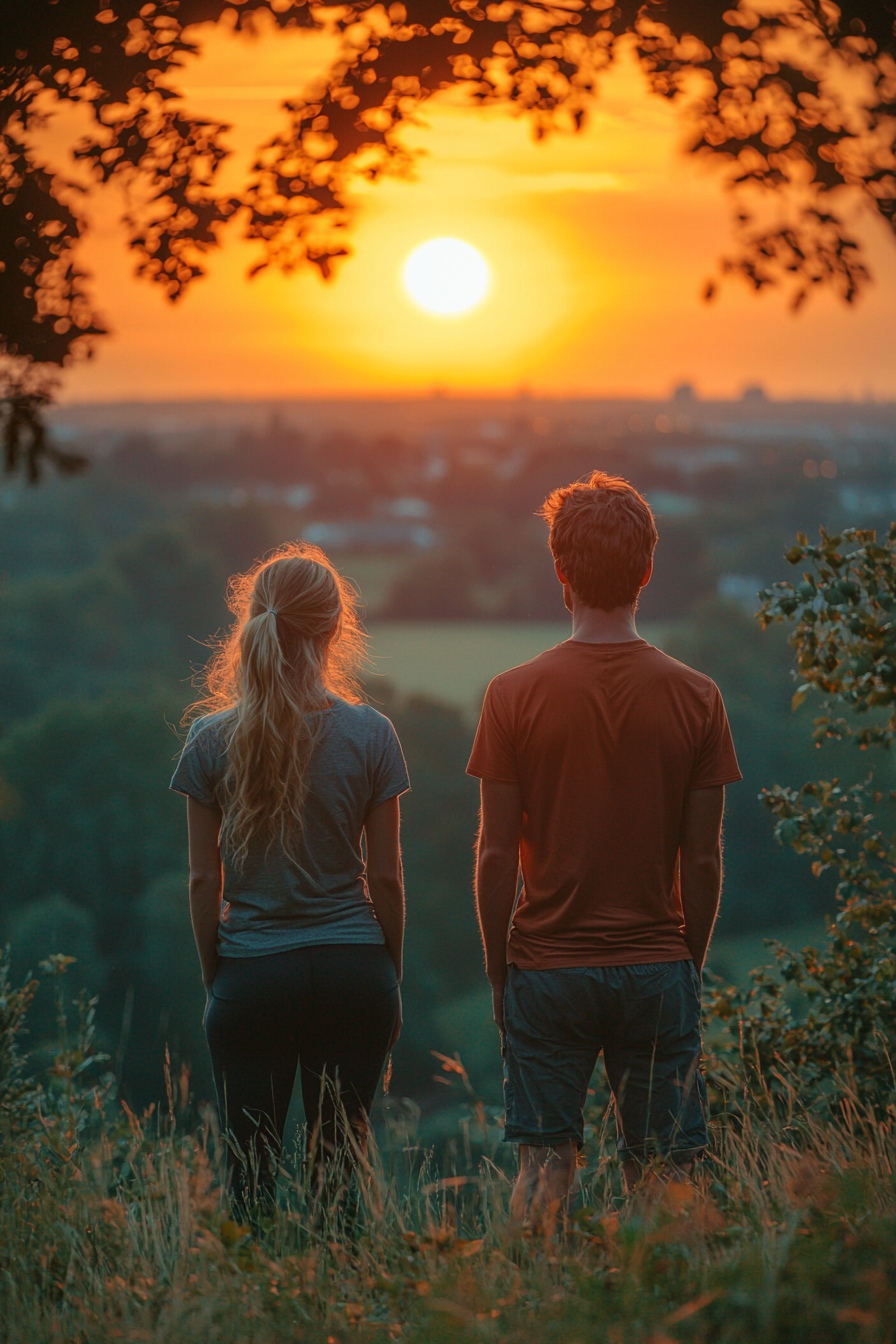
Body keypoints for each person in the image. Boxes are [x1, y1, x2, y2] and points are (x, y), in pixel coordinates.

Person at [468, 472, 742, 1224]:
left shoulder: (511, 694)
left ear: (559, 569)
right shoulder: (698, 696)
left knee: (545, 1164)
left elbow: (495, 856)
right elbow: (705, 859)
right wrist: (686, 960)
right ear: (648, 569)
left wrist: (500, 971)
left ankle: (534, 1316)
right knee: (666, 1175)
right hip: (657, 964)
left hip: (546, 970)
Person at [170, 543, 408, 1213]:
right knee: (339, 1178)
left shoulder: (210, 740)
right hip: (354, 972)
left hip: (252, 973)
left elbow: (200, 881)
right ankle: (338, 1309)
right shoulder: (373, 734)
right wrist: (390, 974)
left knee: (249, 1183)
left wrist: (219, 978)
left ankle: (259, 1307)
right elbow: (387, 878)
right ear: (334, 629)